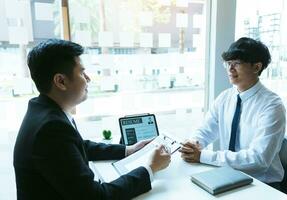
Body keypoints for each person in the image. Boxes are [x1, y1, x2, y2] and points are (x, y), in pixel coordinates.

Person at [13, 39, 171, 200]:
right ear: (61, 81)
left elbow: (77, 146)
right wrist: (150, 168)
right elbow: (95, 196)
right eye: (82, 72)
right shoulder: (51, 128)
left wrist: (127, 150)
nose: (88, 79)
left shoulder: (44, 110)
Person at [179, 37, 286, 188]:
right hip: (229, 175)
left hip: (262, 183)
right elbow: (206, 130)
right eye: (228, 63)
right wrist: (193, 145)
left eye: (236, 63)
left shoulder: (272, 105)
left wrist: (202, 156)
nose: (230, 69)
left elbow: (259, 159)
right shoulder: (225, 97)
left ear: (256, 67)